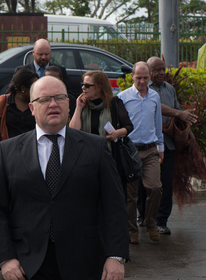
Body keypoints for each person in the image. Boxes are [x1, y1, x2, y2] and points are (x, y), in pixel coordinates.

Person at [0, 76, 129, 280]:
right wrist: (4, 258)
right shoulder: (8, 151)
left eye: (59, 98)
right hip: (30, 266)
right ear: (31, 107)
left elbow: (114, 206)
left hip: (84, 265)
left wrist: (115, 255)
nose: (53, 104)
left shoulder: (95, 148)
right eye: (45, 100)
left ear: (68, 102)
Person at [137, 57, 197, 235]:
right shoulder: (144, 90)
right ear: (148, 72)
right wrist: (179, 113)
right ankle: (143, 216)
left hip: (168, 145)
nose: (161, 73)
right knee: (144, 185)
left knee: (165, 185)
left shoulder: (170, 89)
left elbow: (180, 114)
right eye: (156, 70)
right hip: (147, 145)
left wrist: (189, 138)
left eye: (163, 69)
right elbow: (157, 106)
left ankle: (161, 221)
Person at [118, 62, 164, 243]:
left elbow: (158, 123)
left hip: (150, 149)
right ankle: (132, 230)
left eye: (145, 78)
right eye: (139, 78)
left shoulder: (154, 96)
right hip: (130, 151)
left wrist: (161, 149)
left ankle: (150, 224)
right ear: (132, 77)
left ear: (150, 77)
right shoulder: (122, 97)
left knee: (155, 188)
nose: (142, 81)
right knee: (131, 194)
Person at [69, 70, 133, 195]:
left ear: (99, 87)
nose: (83, 88)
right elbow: (73, 131)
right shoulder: (83, 104)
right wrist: (78, 107)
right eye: (82, 84)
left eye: (87, 85)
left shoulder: (114, 103)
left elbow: (129, 126)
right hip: (86, 158)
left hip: (109, 158)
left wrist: (117, 133)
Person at [0, 68, 38, 168]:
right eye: (33, 87)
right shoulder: (4, 101)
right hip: (9, 153)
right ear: (23, 88)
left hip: (33, 154)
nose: (37, 90)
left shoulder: (37, 102)